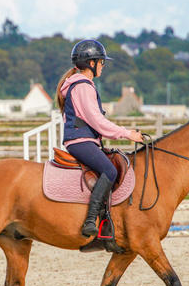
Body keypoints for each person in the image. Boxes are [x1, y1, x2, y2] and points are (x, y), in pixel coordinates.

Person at [56, 39, 144, 237]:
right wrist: (128, 134)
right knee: (110, 171)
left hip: (83, 139)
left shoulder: (79, 85)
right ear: (92, 63)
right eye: (102, 62)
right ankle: (90, 221)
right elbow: (97, 121)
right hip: (80, 141)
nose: (103, 67)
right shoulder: (83, 86)